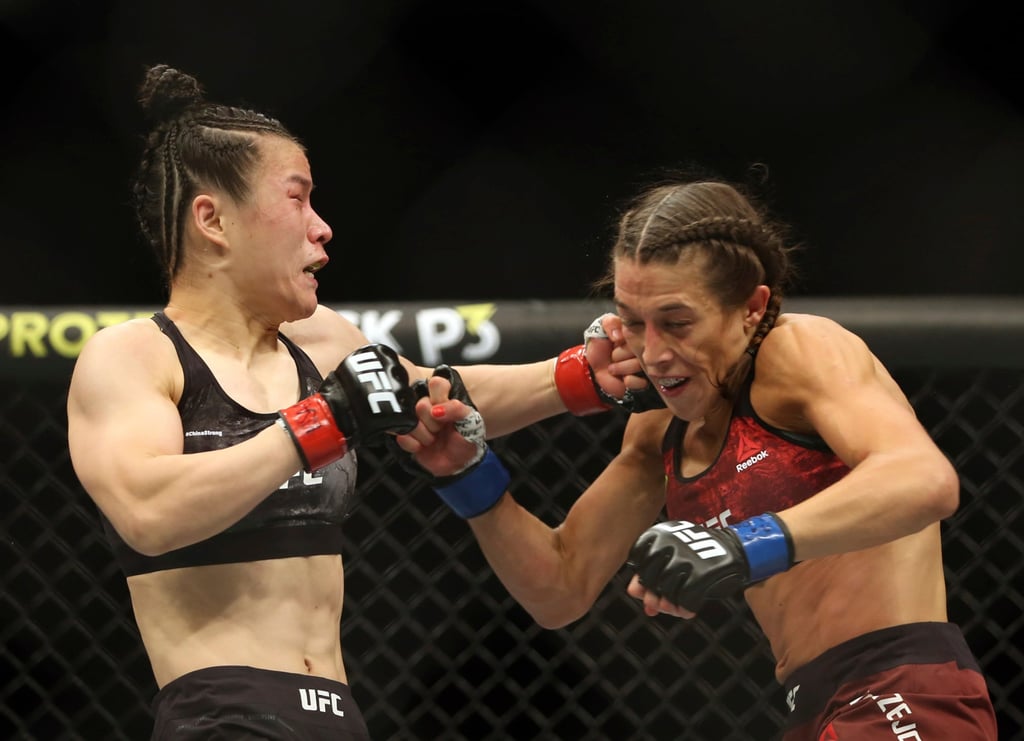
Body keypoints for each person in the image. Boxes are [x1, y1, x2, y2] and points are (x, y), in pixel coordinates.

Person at [65, 64, 629, 739]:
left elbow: (437, 396)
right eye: (297, 199)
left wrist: (576, 377)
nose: (323, 228)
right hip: (220, 716)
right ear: (213, 219)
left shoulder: (320, 340)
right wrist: (315, 424)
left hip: (339, 714)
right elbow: (148, 512)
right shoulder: (133, 356)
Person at [396, 174, 1000, 739]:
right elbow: (560, 586)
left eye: (677, 322)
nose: (654, 353)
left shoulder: (801, 350)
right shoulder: (662, 425)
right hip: (813, 705)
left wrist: (744, 545)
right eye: (633, 323)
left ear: (753, 307)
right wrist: (471, 479)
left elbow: (924, 478)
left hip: (903, 690)